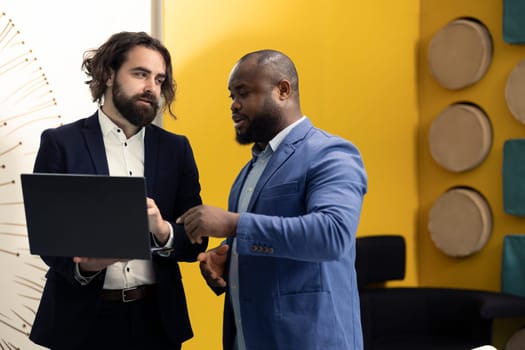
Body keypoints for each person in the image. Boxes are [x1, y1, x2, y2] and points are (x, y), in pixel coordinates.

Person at [176, 49, 368, 350]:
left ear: (283, 90)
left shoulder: (330, 153)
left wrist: (234, 225)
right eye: (230, 96)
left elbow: (332, 235)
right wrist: (228, 257)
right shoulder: (249, 171)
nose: (234, 106)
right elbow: (268, 239)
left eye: (243, 93)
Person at [29, 31, 208, 350]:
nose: (152, 87)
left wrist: (163, 231)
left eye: (159, 78)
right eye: (140, 74)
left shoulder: (176, 149)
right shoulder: (61, 144)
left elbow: (196, 240)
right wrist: (86, 266)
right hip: (80, 323)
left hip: (157, 322)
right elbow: (48, 240)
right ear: (108, 74)